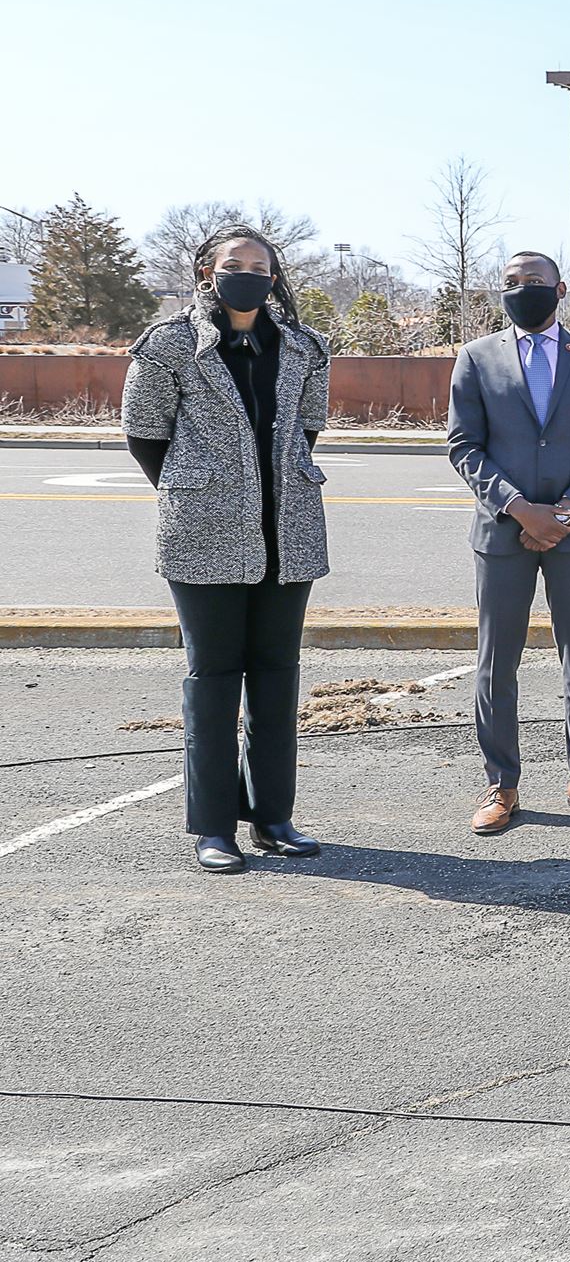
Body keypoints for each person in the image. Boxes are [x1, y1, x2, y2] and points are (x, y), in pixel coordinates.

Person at [120, 227, 333, 873]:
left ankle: (273, 816)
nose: (246, 274)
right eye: (232, 264)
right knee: (213, 679)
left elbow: (309, 428)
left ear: (275, 277)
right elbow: (144, 435)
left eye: (259, 266)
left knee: (276, 677)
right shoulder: (169, 345)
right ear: (207, 271)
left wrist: (265, 493)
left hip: (287, 534)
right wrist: (204, 491)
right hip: (201, 533)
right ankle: (215, 826)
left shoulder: (305, 347)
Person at [448, 252, 570, 836]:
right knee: (495, 662)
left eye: (533, 283)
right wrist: (519, 507)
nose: (522, 291)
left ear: (560, 289)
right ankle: (501, 785)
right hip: (502, 531)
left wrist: (567, 510)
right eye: (511, 284)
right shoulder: (476, 358)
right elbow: (462, 445)